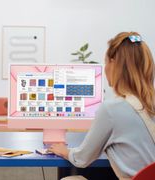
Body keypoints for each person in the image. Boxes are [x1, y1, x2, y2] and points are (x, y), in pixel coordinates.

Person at [49, 32, 155, 179]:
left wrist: (63, 150)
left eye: (106, 62)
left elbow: (82, 158)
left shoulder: (112, 109)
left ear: (114, 64)